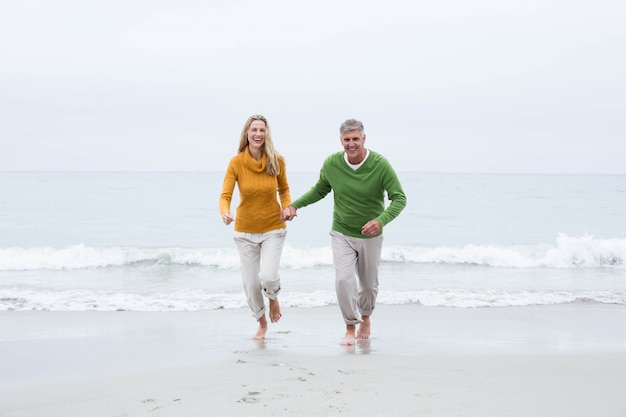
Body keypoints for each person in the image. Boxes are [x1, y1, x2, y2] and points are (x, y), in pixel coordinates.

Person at [282, 118, 406, 346]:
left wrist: (381, 221)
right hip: (342, 232)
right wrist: (294, 205)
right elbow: (320, 190)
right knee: (343, 280)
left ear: (364, 139)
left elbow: (399, 198)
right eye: (347, 140)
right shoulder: (332, 164)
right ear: (341, 141)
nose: (351, 144)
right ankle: (350, 326)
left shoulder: (380, 164)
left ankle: (366, 317)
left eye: (356, 139)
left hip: (370, 236)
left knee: (368, 285)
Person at [219, 114, 291, 340]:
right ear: (247, 134)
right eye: (254, 130)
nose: (258, 134)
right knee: (251, 284)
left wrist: (288, 207)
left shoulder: (276, 160)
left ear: (266, 134)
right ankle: (262, 323)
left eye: (262, 130)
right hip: (245, 231)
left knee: (268, 277)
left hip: (273, 227)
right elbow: (225, 195)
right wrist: (225, 212)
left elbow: (284, 190)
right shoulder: (236, 162)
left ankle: (273, 298)